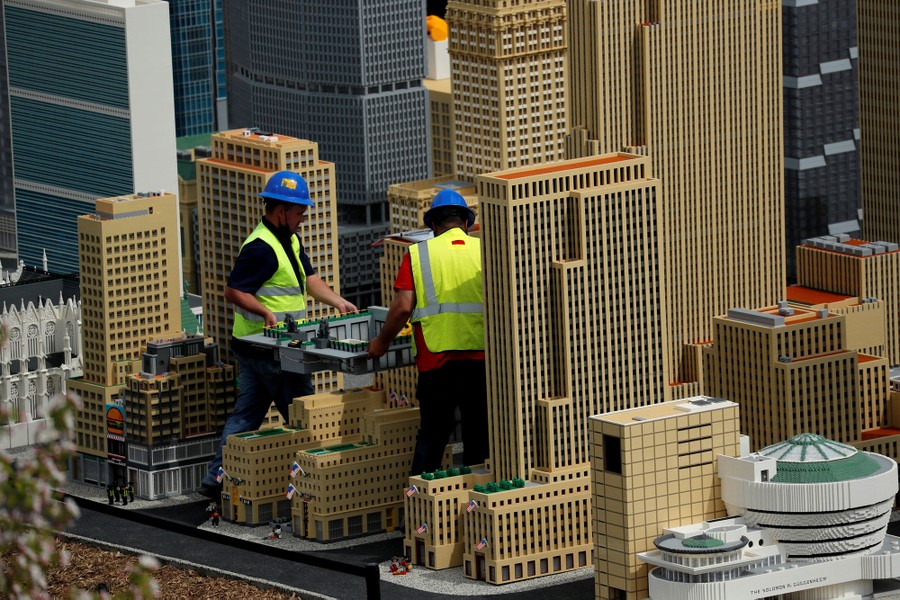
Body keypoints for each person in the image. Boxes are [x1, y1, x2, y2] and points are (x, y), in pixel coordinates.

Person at [200, 171, 357, 497]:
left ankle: (215, 478)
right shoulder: (261, 247)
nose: (303, 218)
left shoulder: (290, 240)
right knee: (303, 414)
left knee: (247, 415)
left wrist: (337, 300)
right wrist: (266, 313)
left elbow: (309, 280)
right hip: (268, 348)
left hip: (267, 346)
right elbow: (233, 291)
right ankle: (319, 483)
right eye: (299, 212)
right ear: (281, 211)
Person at [367, 189, 488, 475]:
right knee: (479, 434)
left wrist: (382, 342)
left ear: (433, 225)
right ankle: (476, 502)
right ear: (467, 223)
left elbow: (401, 308)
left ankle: (420, 501)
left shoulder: (418, 253)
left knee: (434, 434)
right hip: (481, 359)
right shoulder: (484, 250)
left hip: (437, 360)